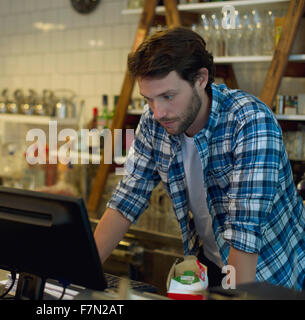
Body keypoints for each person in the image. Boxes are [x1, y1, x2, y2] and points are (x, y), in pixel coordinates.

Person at [94, 26, 305, 290]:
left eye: (168, 96)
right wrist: (79, 272)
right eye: (149, 100)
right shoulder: (153, 123)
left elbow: (245, 236)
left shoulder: (249, 121)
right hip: (212, 266)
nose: (158, 112)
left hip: (273, 276)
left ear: (201, 79)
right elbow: (126, 200)